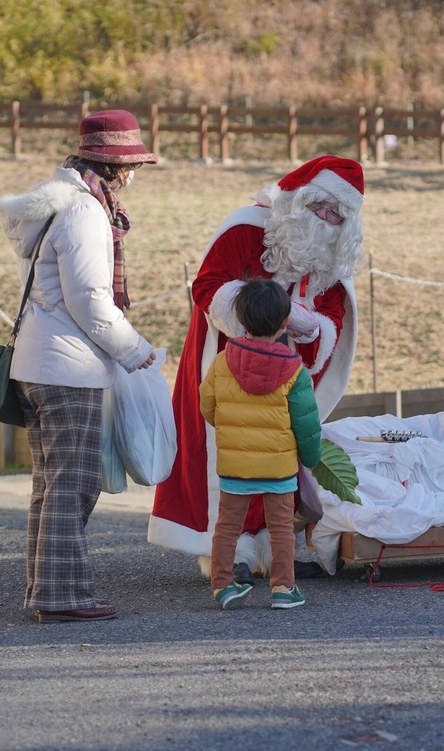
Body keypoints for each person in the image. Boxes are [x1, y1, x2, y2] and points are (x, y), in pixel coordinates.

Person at [148, 155, 365, 581]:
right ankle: (225, 553)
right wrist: (265, 314)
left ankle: (272, 548)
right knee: (225, 457)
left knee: (275, 462)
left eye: (336, 215)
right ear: (299, 200)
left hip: (284, 375)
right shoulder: (246, 227)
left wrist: (309, 326)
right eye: (320, 207)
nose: (325, 219)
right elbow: (208, 286)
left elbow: (335, 318)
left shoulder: (333, 255)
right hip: (227, 362)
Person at [0, 109, 157, 623]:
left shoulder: (50, 206)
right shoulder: (84, 213)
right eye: (131, 167)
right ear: (114, 168)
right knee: (74, 483)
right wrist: (136, 351)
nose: (133, 176)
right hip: (69, 369)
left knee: (51, 484)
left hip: (38, 363)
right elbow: (90, 299)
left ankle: (46, 590)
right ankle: (63, 595)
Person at [202, 278, 322, 610]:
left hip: (235, 465)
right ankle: (283, 588)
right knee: (281, 527)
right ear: (285, 323)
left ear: (241, 321)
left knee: (227, 525)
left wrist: (230, 429)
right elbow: (306, 422)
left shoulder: (223, 362)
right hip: (279, 468)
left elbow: (207, 405)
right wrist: (311, 457)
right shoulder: (294, 371)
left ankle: (222, 585)